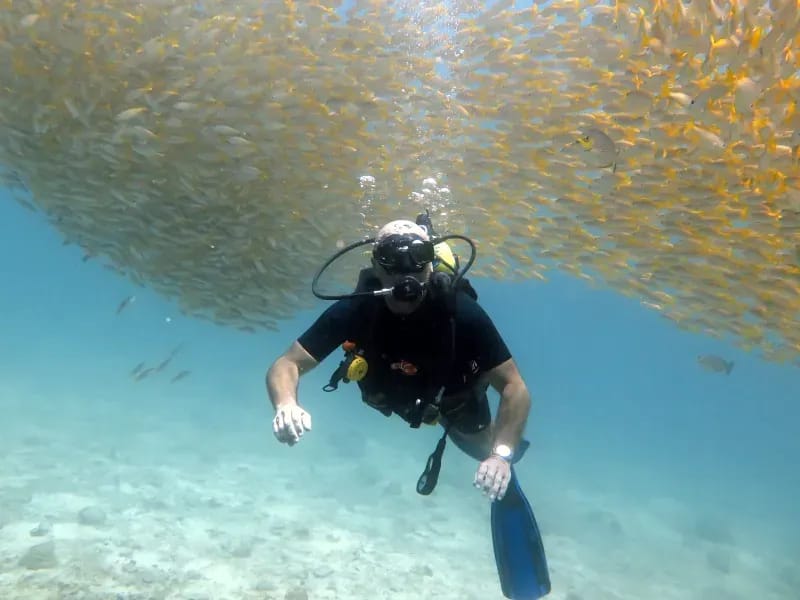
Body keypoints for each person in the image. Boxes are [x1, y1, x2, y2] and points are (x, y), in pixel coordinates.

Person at [266, 216, 551, 599]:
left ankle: (509, 491)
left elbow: (515, 388)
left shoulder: (461, 314)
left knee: (496, 462)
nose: (406, 274)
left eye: (417, 259)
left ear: (432, 263)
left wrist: (501, 454)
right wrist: (286, 403)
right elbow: (287, 364)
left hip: (454, 403)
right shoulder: (356, 311)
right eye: (392, 259)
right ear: (375, 266)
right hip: (392, 397)